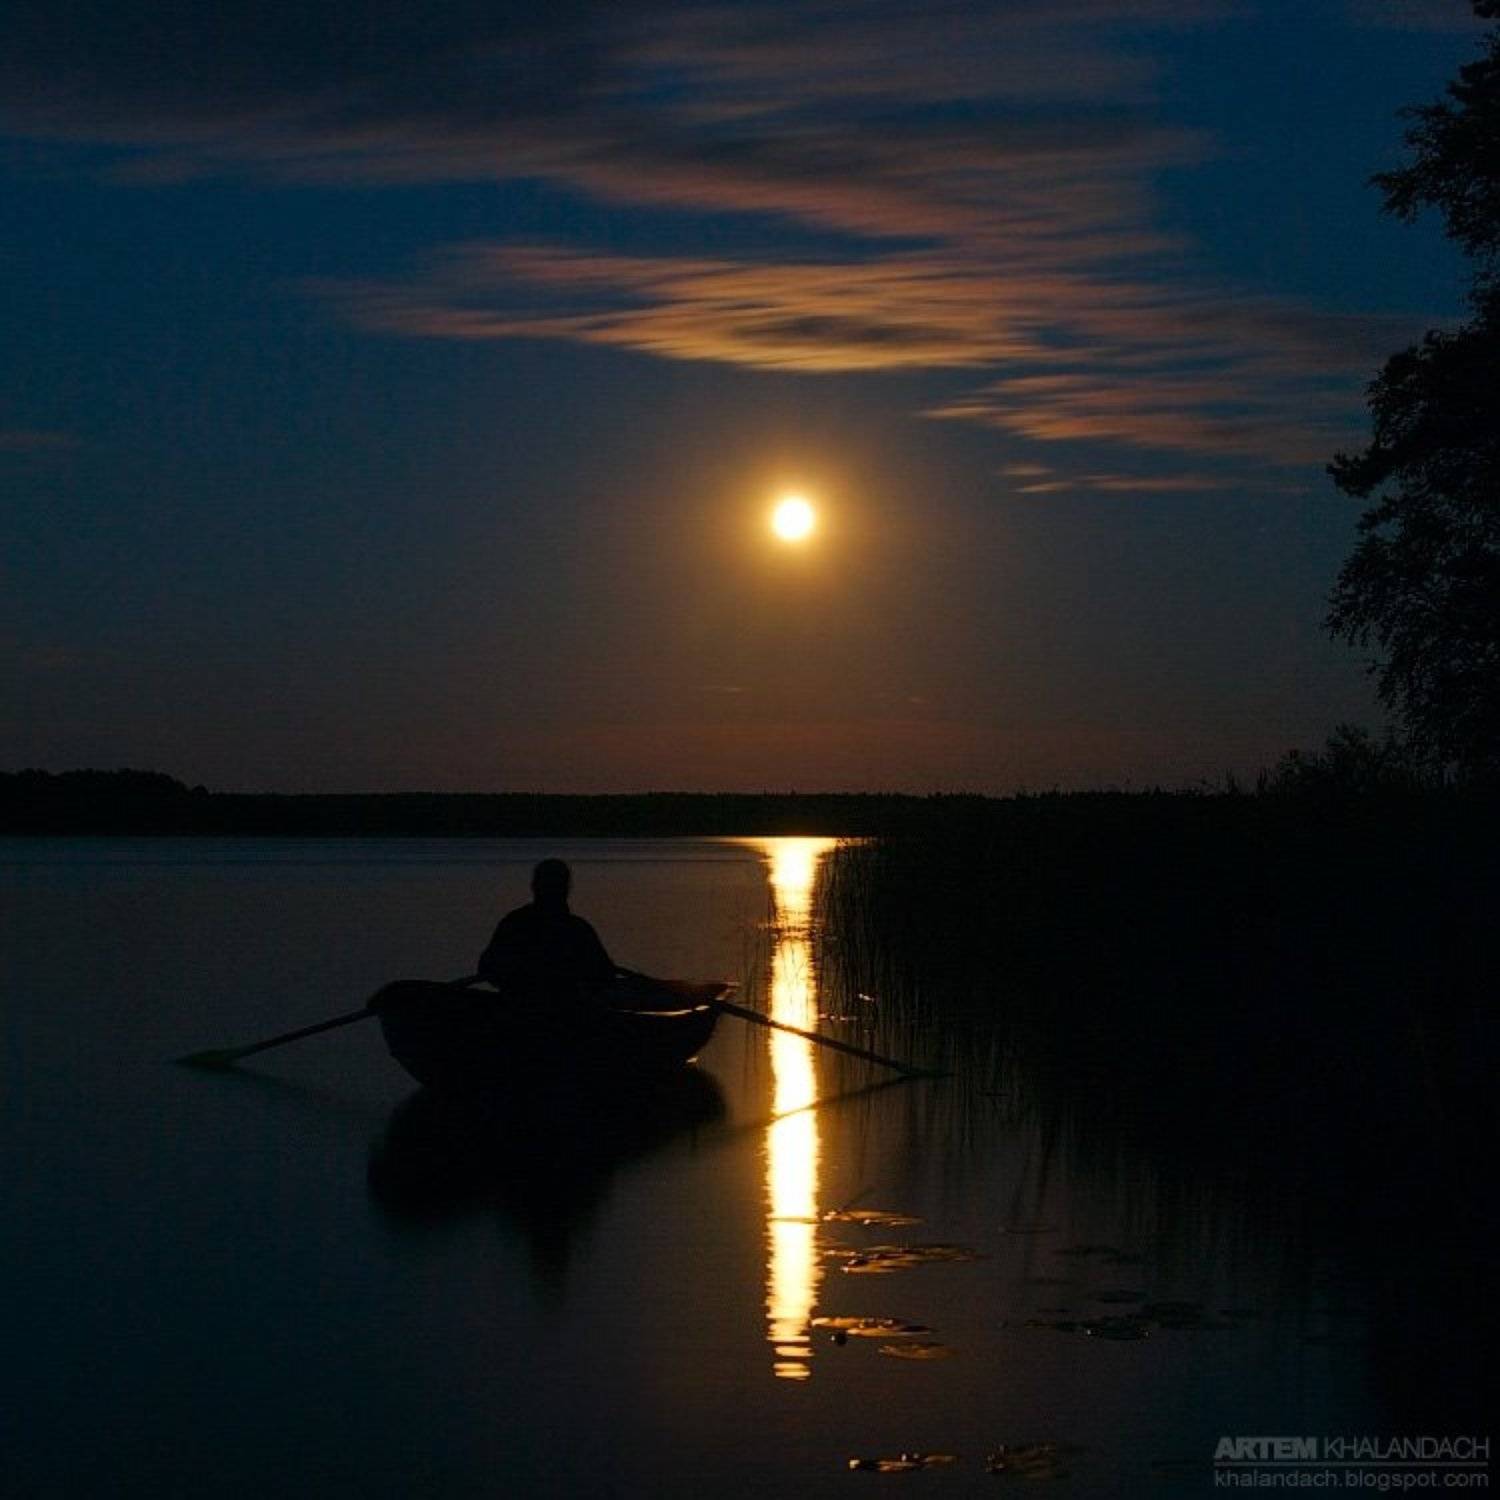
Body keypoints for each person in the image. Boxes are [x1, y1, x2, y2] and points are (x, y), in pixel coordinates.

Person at [478, 859, 617, 995]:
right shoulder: (578, 929)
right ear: (567, 888)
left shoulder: (513, 923)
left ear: (534, 886)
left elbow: (487, 968)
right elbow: (605, 975)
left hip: (518, 1008)